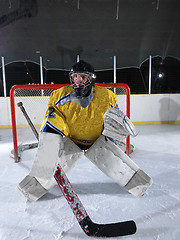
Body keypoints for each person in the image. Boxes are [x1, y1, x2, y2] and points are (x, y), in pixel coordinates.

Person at [18, 60, 153, 202]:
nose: (78, 81)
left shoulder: (106, 96)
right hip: (72, 141)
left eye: (82, 77)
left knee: (120, 167)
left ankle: (140, 185)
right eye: (75, 77)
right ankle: (32, 189)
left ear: (91, 78)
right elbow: (53, 120)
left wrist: (113, 135)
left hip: (97, 141)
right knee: (47, 160)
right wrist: (49, 146)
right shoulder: (60, 95)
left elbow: (114, 119)